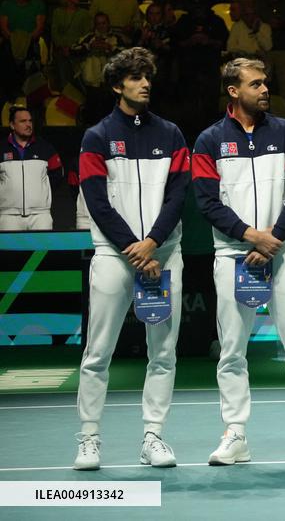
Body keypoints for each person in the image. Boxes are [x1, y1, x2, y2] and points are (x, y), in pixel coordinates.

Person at [192, 57, 285, 466]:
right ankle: (235, 434)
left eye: (266, 83)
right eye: (255, 84)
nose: (264, 90)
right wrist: (248, 236)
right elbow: (206, 201)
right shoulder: (209, 141)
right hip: (233, 255)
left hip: (284, 253)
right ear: (233, 91)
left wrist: (271, 238)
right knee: (232, 351)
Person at [74, 47, 191, 470]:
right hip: (114, 254)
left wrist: (155, 241)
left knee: (163, 351)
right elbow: (97, 201)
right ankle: (88, 438)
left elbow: (179, 194)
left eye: (147, 76)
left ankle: (153, 436)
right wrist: (135, 249)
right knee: (97, 351)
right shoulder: (97, 137)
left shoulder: (172, 134)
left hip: (164, 253)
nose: (145, 83)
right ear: (116, 85)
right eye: (136, 77)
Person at [0, 106, 63, 230]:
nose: (28, 124)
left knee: (42, 249)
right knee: (11, 250)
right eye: (23, 121)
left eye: (30, 121)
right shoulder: (1, 148)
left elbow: (57, 175)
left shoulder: (45, 148)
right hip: (8, 215)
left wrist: (40, 194)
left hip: (40, 215)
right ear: (12, 125)